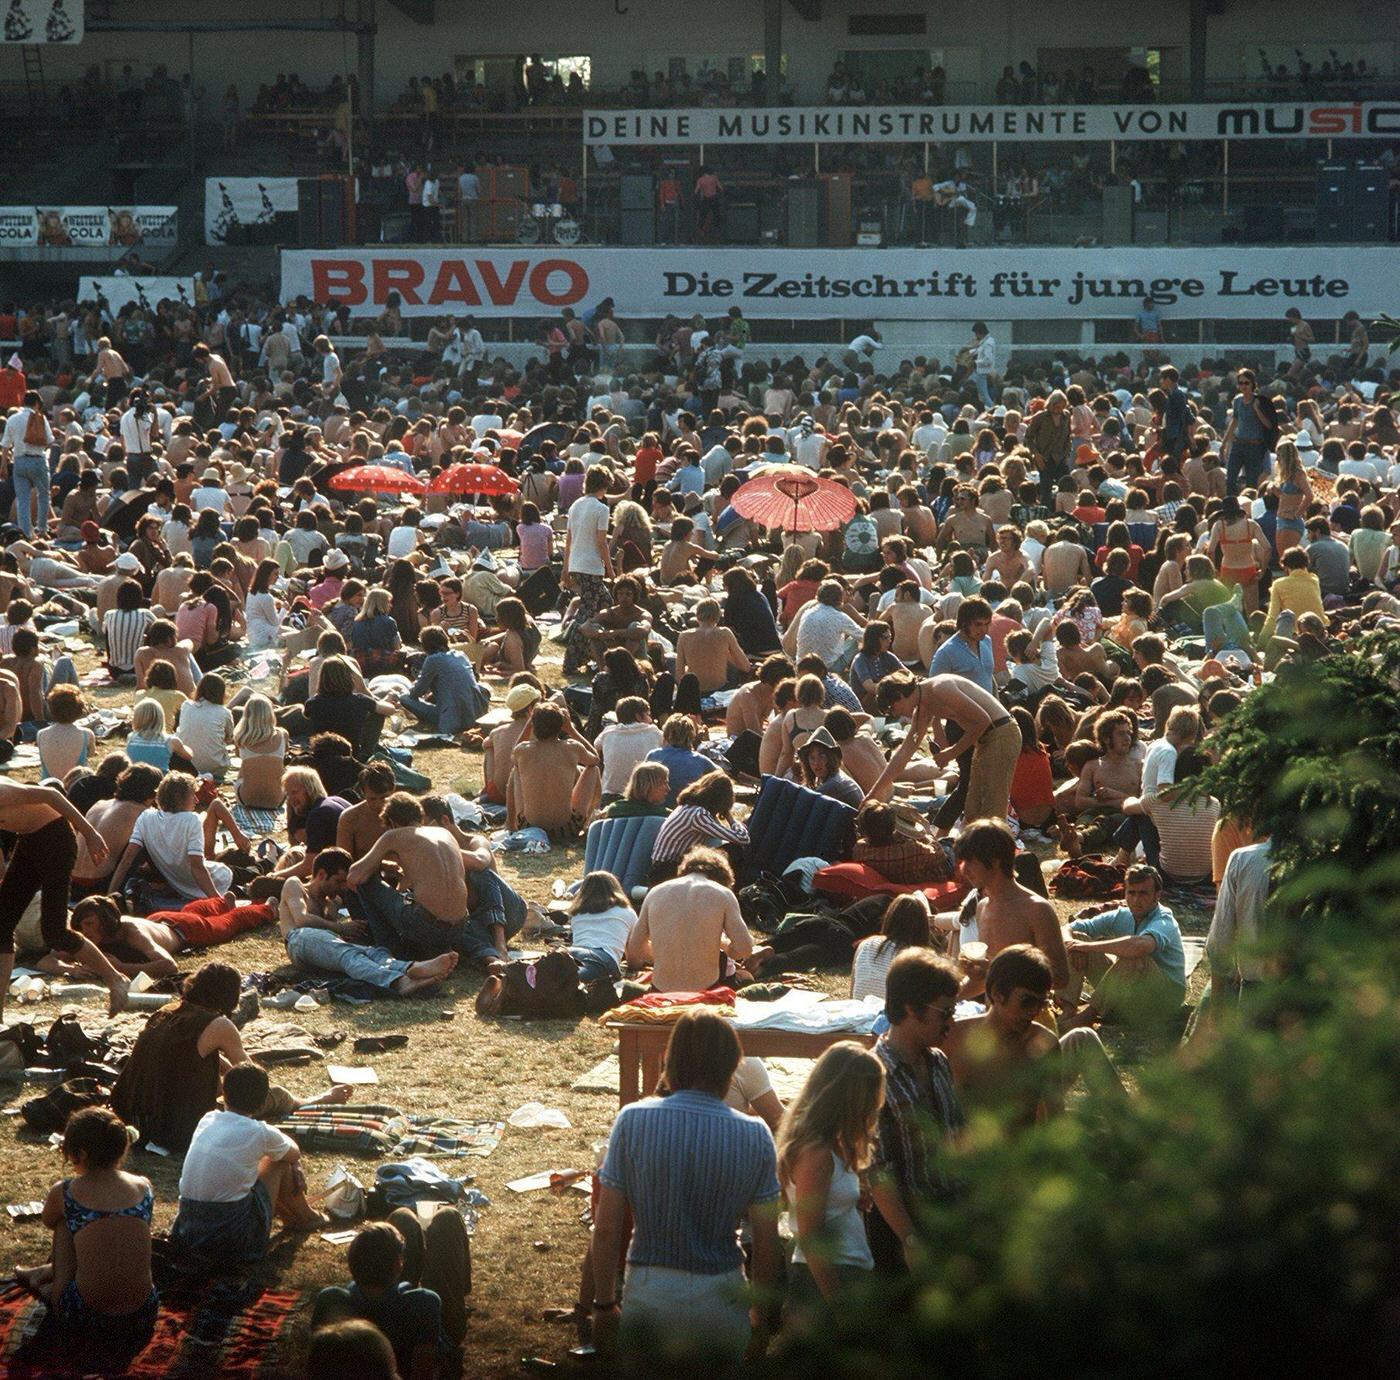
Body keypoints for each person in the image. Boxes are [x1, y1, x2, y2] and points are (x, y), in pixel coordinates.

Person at [590, 1009, 782, 1369]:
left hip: (651, 1292)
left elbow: (606, 1228)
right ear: (731, 1066)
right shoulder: (756, 1136)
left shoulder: (633, 1120)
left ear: (671, 1061)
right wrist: (760, 1314)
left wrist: (602, 1303)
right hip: (722, 1295)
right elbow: (768, 1242)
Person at [14, 1107, 158, 1355]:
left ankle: (48, 1287)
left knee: (64, 1222)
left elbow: (49, 1220)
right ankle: (44, 1273)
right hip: (142, 1314)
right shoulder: (143, 1187)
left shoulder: (66, 1191)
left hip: (85, 1317)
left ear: (79, 1154)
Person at [942, 945, 1125, 1127]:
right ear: (997, 994)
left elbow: (1054, 1118)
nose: (1034, 1011)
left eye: (1042, 1003)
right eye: (1026, 1001)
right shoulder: (952, 1038)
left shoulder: (1043, 1044)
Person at [0, 775, 130, 1025]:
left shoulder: (2, 792)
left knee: (55, 933)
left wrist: (90, 834)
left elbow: (52, 795)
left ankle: (115, 978)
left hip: (56, 840)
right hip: (29, 841)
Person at [867, 948, 965, 1274]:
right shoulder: (873, 1075)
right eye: (945, 1013)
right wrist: (910, 1239)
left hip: (947, 1221)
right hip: (898, 1236)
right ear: (912, 1009)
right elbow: (878, 1171)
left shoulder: (937, 1062)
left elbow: (956, 1136)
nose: (951, 1023)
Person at [170, 1061, 325, 1263]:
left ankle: (293, 1215)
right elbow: (293, 1153)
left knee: (266, 1158)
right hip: (232, 1243)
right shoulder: (259, 1132)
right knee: (279, 1162)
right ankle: (305, 1217)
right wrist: (294, 1164)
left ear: (224, 1094)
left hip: (188, 1231)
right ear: (263, 1103)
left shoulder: (208, 1119)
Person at [776, 1043, 884, 1330]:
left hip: (843, 1273)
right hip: (827, 1281)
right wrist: (839, 1306)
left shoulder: (831, 1146)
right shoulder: (817, 1153)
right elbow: (811, 1236)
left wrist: (852, 1200)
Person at [348, 793, 523, 969]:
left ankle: (391, 951)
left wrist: (378, 865)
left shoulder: (394, 836)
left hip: (426, 926)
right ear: (419, 816)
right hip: (458, 926)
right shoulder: (443, 834)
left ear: (392, 823)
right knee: (448, 916)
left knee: (367, 883)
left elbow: (355, 876)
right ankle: (489, 958)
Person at [280, 847, 458, 997]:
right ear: (321, 874)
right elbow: (301, 919)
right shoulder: (295, 885)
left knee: (375, 952)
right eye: (339, 881)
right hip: (298, 939)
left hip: (320, 944)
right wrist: (341, 927)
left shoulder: (331, 902)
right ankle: (398, 982)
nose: (342, 887)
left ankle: (410, 967)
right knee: (347, 955)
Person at [311, 1217, 465, 1380]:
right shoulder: (424, 1303)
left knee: (403, 1216)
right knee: (447, 1218)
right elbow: (424, 1371)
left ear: (352, 1262)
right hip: (413, 1340)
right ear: (399, 1265)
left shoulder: (330, 1301)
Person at [870, 670, 1022, 827]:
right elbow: (904, 753)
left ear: (899, 695)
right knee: (973, 808)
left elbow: (983, 721)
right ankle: (976, 847)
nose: (897, 715)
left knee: (992, 807)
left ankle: (997, 849)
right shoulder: (923, 708)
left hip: (1002, 733)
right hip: (984, 740)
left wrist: (951, 753)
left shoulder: (940, 688)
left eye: (893, 709)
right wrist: (873, 793)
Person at [1062, 864, 1187, 1031]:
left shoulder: (1165, 919)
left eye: (1143, 893)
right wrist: (1075, 946)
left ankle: (1089, 1015)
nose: (1136, 900)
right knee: (1075, 940)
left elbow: (1140, 947)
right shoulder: (1122, 915)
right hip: (1131, 991)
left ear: (1157, 895)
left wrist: (1087, 947)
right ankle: (1068, 1010)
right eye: (1131, 893)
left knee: (1135, 958)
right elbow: (1067, 929)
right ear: (1125, 893)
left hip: (1163, 998)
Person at [952, 819, 1069, 991]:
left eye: (970, 862)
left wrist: (995, 970)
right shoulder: (982, 907)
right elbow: (985, 982)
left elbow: (1060, 978)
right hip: (993, 1014)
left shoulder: (1036, 909)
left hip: (1029, 1015)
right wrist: (948, 1000)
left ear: (995, 861)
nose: (964, 869)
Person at [626, 846, 754, 992]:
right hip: (706, 991)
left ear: (684, 870)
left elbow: (635, 948)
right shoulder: (723, 894)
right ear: (722, 877)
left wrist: (664, 957)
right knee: (747, 978)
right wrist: (726, 949)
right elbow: (745, 948)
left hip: (661, 991)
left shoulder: (655, 892)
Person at [507, 701, 601, 834]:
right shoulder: (572, 747)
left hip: (528, 827)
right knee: (593, 769)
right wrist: (571, 730)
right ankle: (589, 824)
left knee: (516, 770)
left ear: (534, 725)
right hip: (567, 829)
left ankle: (510, 825)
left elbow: (513, 754)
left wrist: (529, 725)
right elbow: (595, 759)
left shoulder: (522, 750)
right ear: (561, 726)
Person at [649, 770, 750, 881]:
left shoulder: (686, 806)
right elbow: (743, 838)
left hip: (660, 867)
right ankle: (737, 888)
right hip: (666, 871)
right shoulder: (698, 814)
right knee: (734, 850)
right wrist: (730, 818)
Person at [562, 466, 614, 676]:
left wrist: (566, 568)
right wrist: (610, 569)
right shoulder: (601, 509)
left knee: (606, 604)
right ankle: (572, 660)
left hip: (576, 563)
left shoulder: (576, 505)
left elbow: (568, 541)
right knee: (586, 614)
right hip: (591, 566)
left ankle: (592, 653)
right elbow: (602, 543)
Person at [399, 626, 489, 738]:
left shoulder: (432, 660)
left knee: (404, 698)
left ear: (425, 645)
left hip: (452, 721)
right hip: (475, 715)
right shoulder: (461, 655)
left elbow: (416, 693)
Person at [851, 894, 932, 1001]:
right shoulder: (917, 957)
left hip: (861, 1009)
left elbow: (853, 990)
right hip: (894, 1014)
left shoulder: (865, 944)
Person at [566, 870, 638, 984]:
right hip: (602, 957)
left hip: (572, 953)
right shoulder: (627, 912)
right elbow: (634, 955)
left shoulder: (577, 914)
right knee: (575, 982)